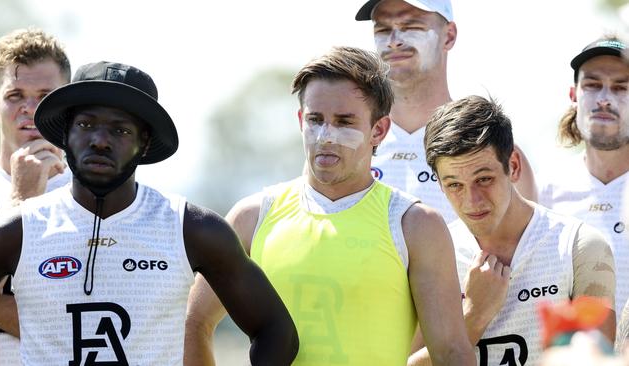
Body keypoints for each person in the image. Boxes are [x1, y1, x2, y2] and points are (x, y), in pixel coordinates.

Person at [0, 61, 298, 365]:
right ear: (65, 134)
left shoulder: (190, 229)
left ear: (144, 143)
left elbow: (277, 332)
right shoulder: (14, 232)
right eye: (86, 124)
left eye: (120, 131)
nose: (100, 141)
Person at [184, 46, 475, 366]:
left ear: (379, 130)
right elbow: (195, 322)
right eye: (315, 119)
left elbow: (451, 353)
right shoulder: (251, 217)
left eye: (344, 122)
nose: (326, 136)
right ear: (300, 121)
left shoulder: (415, 225)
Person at [416, 95, 616, 365]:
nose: (471, 201)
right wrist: (474, 317)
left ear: (513, 165)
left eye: (484, 179)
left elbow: (597, 361)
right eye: (454, 185)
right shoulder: (430, 254)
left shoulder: (579, 246)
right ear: (439, 183)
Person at [354, 0, 537, 223]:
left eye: (411, 27)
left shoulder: (493, 147)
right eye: (382, 29)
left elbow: (527, 250)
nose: (393, 42)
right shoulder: (349, 143)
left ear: (449, 36)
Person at [0, 28, 71, 366]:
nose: (30, 109)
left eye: (45, 95)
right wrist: (19, 201)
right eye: (16, 95)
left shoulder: (94, 197)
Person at [538, 35, 629, 322]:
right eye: (592, 85)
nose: (604, 99)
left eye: (620, 87)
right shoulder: (544, 194)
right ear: (574, 96)